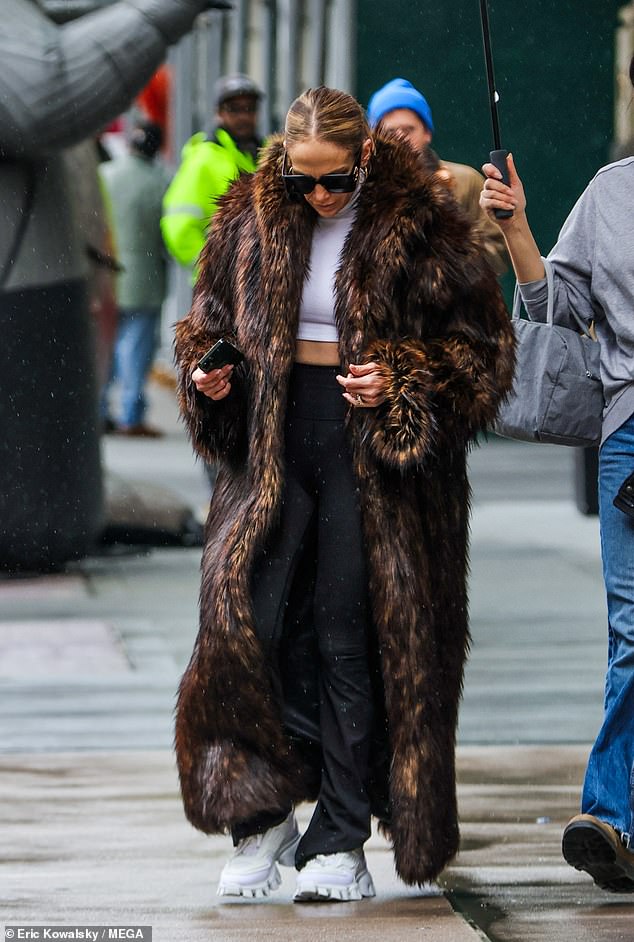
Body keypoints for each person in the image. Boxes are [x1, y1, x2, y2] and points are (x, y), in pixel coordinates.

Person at [173, 85, 515, 901]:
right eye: (302, 182)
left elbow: (484, 357)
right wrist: (209, 373)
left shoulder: (422, 221)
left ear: (364, 156)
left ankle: (341, 833)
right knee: (248, 625)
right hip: (269, 447)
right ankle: (258, 817)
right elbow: (205, 320)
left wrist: (400, 376)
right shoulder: (247, 217)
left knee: (347, 634)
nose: (319, 197)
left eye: (334, 181)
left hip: (379, 466)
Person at [0, 0, 230, 571]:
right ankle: (119, 420)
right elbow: (41, 91)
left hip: (111, 282)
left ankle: (112, 427)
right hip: (133, 284)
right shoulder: (200, 160)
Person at [480, 51, 634, 894]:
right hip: (631, 431)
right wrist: (515, 229)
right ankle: (612, 818)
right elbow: (559, 307)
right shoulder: (612, 192)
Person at [367, 77, 508, 276]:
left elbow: (499, 248)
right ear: (372, 137)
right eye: (390, 131)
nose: (399, 137)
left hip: (458, 303)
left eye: (408, 129)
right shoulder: (360, 187)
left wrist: (449, 268)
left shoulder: (466, 181)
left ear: (427, 132)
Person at [100, 119, 170, 437]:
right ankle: (132, 415)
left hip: (105, 275)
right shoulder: (161, 180)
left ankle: (99, 411)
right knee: (136, 349)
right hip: (145, 276)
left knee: (106, 346)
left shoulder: (106, 175)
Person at [161, 72, 264, 269]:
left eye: (249, 108)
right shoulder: (203, 158)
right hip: (222, 291)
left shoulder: (265, 155)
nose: (243, 116)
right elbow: (178, 224)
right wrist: (212, 272)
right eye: (234, 109)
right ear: (219, 113)